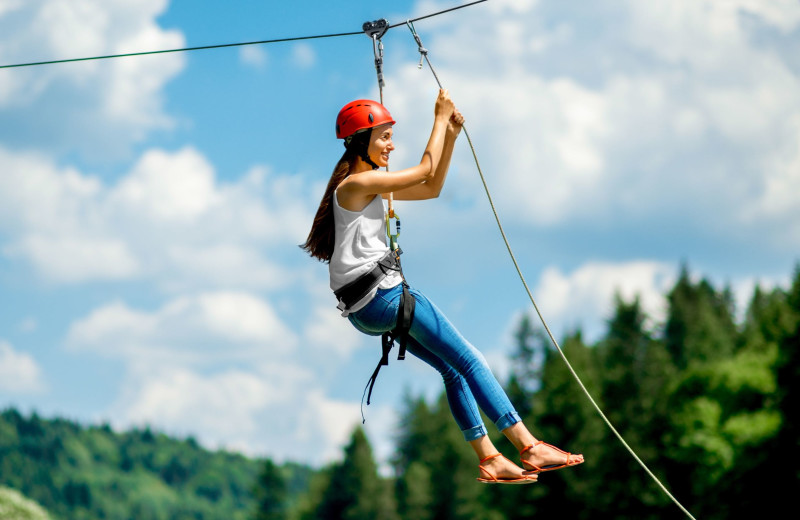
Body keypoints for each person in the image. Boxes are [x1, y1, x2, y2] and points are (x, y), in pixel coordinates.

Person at [302, 89, 583, 484]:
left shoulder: (367, 184)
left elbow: (430, 187)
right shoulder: (356, 183)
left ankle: (489, 457)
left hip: (365, 310)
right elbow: (421, 171)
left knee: (452, 370)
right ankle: (527, 444)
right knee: (470, 359)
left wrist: (448, 137)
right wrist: (438, 117)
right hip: (383, 298)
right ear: (361, 141)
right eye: (384, 136)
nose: (390, 144)